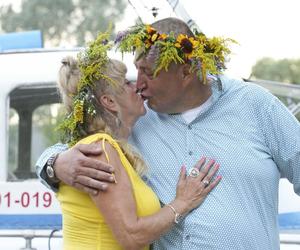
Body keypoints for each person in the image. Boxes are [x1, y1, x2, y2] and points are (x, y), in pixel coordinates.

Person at [36, 17, 300, 249]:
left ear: (186, 72)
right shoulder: (135, 117)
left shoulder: (255, 106)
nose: (138, 85)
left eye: (148, 73)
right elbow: (81, 146)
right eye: (136, 72)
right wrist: (55, 164)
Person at [50, 31, 221, 250]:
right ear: (109, 101)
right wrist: (183, 202)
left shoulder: (112, 148)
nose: (137, 87)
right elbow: (131, 236)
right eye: (127, 83)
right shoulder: (99, 148)